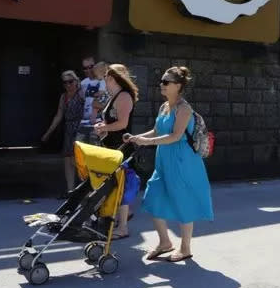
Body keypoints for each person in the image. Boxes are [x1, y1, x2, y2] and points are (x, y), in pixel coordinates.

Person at [125, 66, 214, 262]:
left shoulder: (184, 109)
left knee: (183, 201)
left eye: (166, 82)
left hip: (182, 161)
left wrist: (146, 142)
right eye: (162, 81)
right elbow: (157, 131)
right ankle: (165, 242)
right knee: (153, 197)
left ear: (178, 86)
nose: (162, 85)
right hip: (164, 160)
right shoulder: (164, 107)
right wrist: (136, 137)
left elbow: (175, 136)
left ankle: (185, 248)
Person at [93, 64, 139, 239]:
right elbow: (113, 123)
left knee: (121, 186)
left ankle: (123, 227)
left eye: (106, 76)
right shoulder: (115, 96)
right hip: (112, 146)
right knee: (116, 186)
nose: (104, 79)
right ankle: (119, 220)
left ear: (112, 78)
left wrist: (104, 127)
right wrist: (103, 128)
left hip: (121, 148)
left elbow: (122, 124)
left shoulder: (124, 96)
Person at [41, 71, 85, 196]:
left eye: (70, 81)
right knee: (67, 159)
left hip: (80, 127)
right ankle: (70, 191)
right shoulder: (64, 97)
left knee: (77, 159)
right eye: (65, 82)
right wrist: (48, 132)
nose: (68, 85)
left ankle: (83, 188)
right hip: (69, 128)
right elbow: (59, 115)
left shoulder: (81, 94)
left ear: (76, 81)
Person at [80, 56, 106, 145]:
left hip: (99, 122)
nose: (88, 70)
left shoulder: (104, 81)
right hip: (84, 122)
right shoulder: (82, 83)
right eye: (85, 68)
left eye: (91, 67)